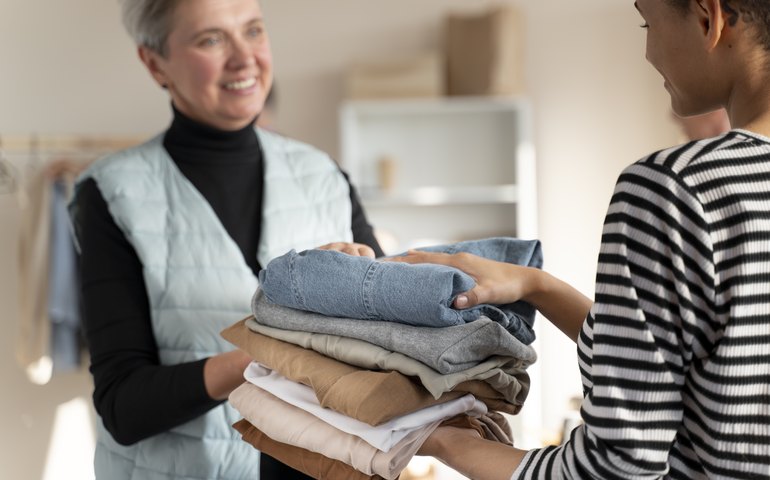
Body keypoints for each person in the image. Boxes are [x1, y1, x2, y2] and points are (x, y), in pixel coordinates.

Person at [392, 0, 770, 478]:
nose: (648, 51)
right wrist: (538, 286)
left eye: (646, 22)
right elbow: (687, 357)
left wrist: (441, 440)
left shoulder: (674, 189)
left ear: (707, 19)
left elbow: (609, 472)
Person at [69, 0, 383, 479]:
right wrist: (276, 351)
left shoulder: (324, 177)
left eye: (253, 31)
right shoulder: (112, 194)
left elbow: (387, 353)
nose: (244, 58)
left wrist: (362, 298)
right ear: (155, 64)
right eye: (211, 39)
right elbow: (123, 407)